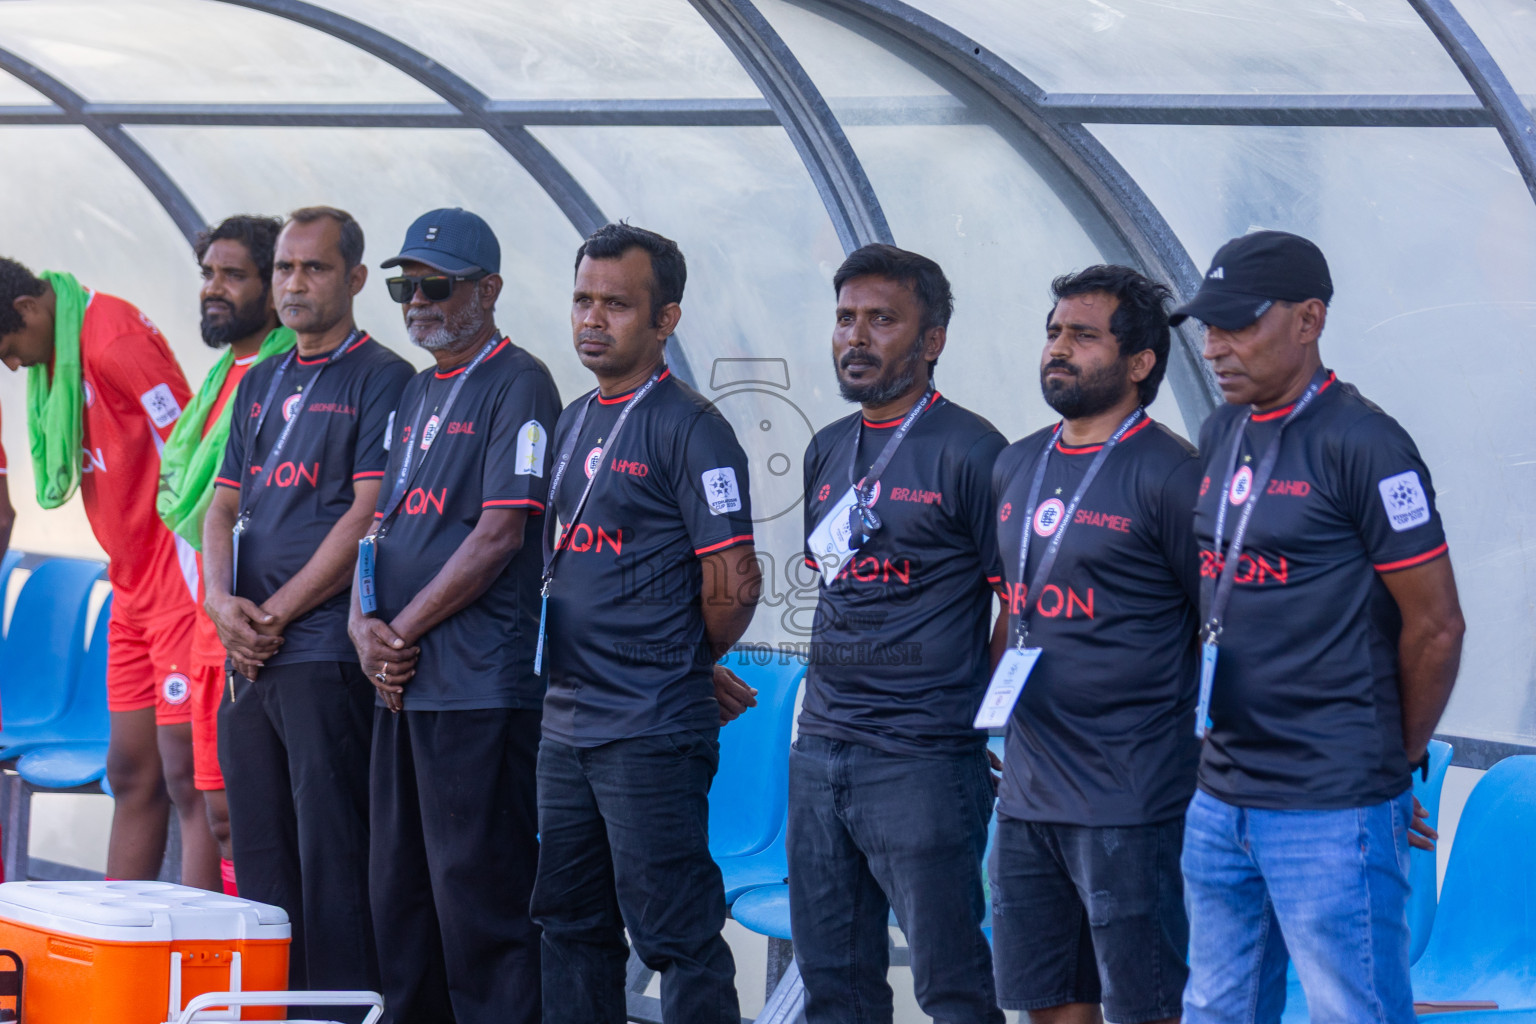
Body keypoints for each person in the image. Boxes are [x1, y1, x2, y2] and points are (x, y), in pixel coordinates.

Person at [1173, 230, 1464, 1022]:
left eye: (1238, 323)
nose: (1214, 346)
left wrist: (1391, 762)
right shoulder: (1222, 432)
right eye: (1208, 325)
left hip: (1330, 804)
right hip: (1220, 793)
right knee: (1217, 1007)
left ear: (1310, 320)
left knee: (1351, 1009)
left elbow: (1435, 626)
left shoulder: (1365, 444)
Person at [528, 222, 760, 1024]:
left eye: (617, 305)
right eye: (583, 300)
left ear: (665, 321)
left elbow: (734, 580)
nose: (593, 319)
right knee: (569, 926)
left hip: (648, 726)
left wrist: (682, 663)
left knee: (675, 935)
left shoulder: (692, 428)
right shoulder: (573, 418)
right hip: (565, 722)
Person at [351, 208, 561, 1024]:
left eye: (436, 284)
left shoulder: (521, 381)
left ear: (489, 290)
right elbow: (384, 521)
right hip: (400, 681)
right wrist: (362, 621)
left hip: (476, 683)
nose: (417, 301)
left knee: (479, 900)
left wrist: (398, 632)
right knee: (398, 894)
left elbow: (502, 531)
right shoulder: (413, 388)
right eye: (407, 285)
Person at [202, 206, 411, 1010]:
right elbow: (221, 508)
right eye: (285, 268)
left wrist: (275, 614)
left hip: (320, 654)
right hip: (245, 655)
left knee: (332, 860)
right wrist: (223, 604)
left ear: (355, 279)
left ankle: (338, 1009)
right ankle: (268, 1008)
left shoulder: (383, 377)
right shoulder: (259, 379)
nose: (293, 283)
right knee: (259, 859)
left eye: (313, 268)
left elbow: (366, 514)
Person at [793, 243, 1006, 1024]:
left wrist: (968, 717)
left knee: (949, 985)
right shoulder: (826, 445)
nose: (856, 336)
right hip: (820, 751)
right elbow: (831, 577)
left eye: (882, 320)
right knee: (834, 983)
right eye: (846, 318)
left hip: (920, 760)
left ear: (932, 339)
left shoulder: (975, 451)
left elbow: (1016, 604)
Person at [987, 266, 1200, 1024]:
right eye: (1053, 332)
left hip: (1130, 798)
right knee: (1048, 1005)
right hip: (1026, 795)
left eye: (1082, 335)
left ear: (1139, 362)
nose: (1058, 348)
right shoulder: (1015, 461)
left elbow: (1235, 627)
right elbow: (1013, 603)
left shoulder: (1173, 475)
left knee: (1144, 1008)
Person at [0, 256, 216, 887]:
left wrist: (212, 575)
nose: (13, 367)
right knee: (131, 771)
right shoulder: (65, 350)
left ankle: (195, 955)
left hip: (176, 582)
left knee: (188, 777)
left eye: (8, 349)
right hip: (129, 586)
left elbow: (192, 450)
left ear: (27, 311)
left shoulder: (114, 337)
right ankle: (123, 937)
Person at [158, 214, 294, 897]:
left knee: (243, 818)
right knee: (212, 810)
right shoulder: (221, 375)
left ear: (276, 287)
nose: (213, 288)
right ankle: (206, 976)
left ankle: (257, 982)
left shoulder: (278, 375)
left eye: (233, 275)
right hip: (196, 616)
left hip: (243, 624)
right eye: (209, 273)